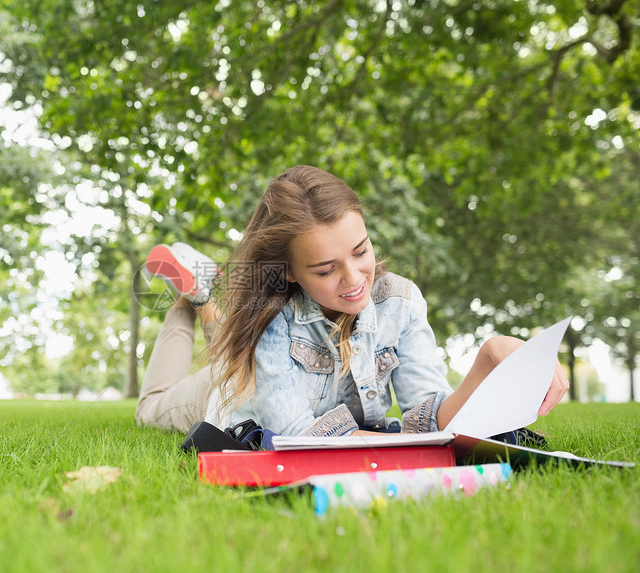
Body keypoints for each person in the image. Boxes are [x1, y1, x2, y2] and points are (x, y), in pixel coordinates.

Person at [135, 165, 569, 438]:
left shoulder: (399, 301)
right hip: (229, 395)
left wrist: (490, 361)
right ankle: (190, 295)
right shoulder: (271, 314)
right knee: (150, 408)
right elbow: (297, 432)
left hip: (250, 347)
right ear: (289, 271)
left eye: (361, 251)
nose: (354, 280)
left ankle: (202, 293)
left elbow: (430, 416)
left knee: (237, 330)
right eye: (325, 270)